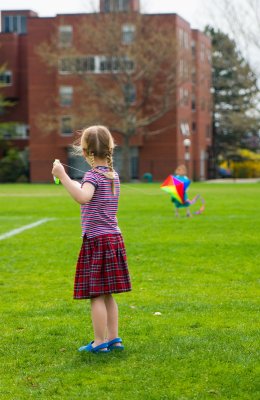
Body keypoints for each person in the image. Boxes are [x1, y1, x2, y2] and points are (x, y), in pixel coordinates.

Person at [52, 125, 131, 353]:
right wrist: (75, 183)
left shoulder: (92, 175)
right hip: (113, 238)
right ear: (110, 148)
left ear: (84, 151)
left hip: (98, 241)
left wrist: (62, 176)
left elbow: (83, 197)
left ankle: (99, 343)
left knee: (96, 293)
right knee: (108, 293)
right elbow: (95, 197)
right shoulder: (112, 175)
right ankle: (114, 339)